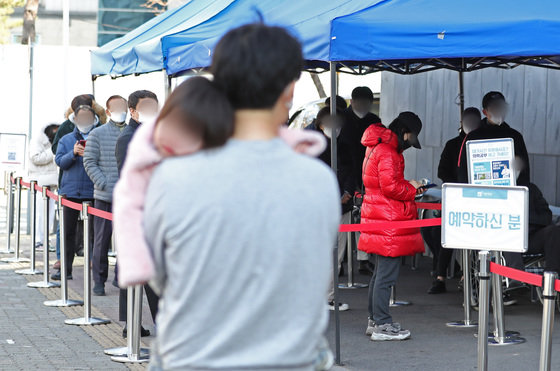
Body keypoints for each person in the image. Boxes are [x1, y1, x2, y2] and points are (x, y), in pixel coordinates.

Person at [143, 24, 340, 370]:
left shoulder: (172, 176)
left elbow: (159, 276)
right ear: (290, 89)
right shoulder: (318, 180)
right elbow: (314, 272)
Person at [360, 111, 425, 341]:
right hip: (387, 218)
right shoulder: (388, 152)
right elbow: (391, 188)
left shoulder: (377, 145)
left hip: (377, 214)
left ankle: (375, 320)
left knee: (380, 274)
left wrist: (407, 186)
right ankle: (382, 323)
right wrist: (413, 188)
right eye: (410, 138)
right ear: (405, 132)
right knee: (386, 275)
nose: (409, 144)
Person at [425, 107, 481, 294]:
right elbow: (442, 170)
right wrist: (457, 186)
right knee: (446, 237)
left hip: (477, 199)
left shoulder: (483, 142)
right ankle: (439, 276)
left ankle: (468, 274)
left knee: (472, 239)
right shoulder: (453, 144)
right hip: (456, 196)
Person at [307, 106, 354, 312]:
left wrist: (348, 192)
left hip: (341, 207)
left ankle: (328, 296)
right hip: (319, 208)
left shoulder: (343, 145)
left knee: (335, 255)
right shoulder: (311, 147)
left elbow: (351, 172)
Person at [83, 95, 128, 296]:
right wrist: (103, 182)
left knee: (126, 238)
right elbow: (89, 162)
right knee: (101, 239)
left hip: (128, 196)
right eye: (117, 107)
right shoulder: (97, 134)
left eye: (124, 106)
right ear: (108, 111)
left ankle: (122, 277)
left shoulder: (132, 132)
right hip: (104, 195)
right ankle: (99, 280)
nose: (121, 109)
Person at [52, 105, 99, 280]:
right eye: (82, 117)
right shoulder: (66, 139)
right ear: (75, 119)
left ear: (94, 119)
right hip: (70, 192)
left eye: (88, 116)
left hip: (93, 191)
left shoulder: (98, 137)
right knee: (67, 233)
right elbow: (60, 162)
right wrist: (73, 153)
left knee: (96, 234)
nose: (85, 120)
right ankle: (65, 270)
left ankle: (97, 273)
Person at [457, 91, 530, 185]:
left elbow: (525, 171)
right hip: (479, 193)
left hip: (508, 194)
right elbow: (462, 168)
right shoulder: (473, 137)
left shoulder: (515, 136)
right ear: (485, 112)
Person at [341, 86, 381, 190]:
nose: (363, 107)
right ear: (351, 101)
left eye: (366, 104)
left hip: (367, 169)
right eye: (360, 103)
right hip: (344, 171)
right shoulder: (340, 118)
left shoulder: (374, 120)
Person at [28, 123, 59, 251]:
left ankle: (44, 239)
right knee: (39, 213)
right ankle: (38, 240)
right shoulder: (38, 140)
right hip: (40, 182)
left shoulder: (52, 140)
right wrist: (52, 152)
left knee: (49, 214)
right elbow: (35, 157)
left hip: (50, 182)